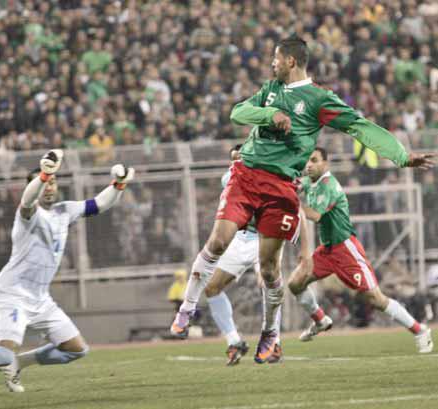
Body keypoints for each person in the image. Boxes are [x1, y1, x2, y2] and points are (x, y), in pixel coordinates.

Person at [170, 35, 434, 364]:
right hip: (246, 176)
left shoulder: (319, 99)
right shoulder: (271, 89)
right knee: (218, 241)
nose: (272, 64)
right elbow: (238, 112)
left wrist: (400, 155)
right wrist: (269, 115)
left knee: (270, 271)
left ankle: (270, 334)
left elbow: (359, 126)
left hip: (281, 189)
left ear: (291, 61)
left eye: (276, 59)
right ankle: (187, 309)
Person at [0, 150, 135, 397]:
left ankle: (18, 364)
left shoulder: (64, 211)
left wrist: (118, 184)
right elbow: (28, 201)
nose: (49, 186)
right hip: (12, 294)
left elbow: (100, 203)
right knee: (3, 353)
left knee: (76, 349)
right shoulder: (28, 215)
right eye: (44, 182)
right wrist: (44, 175)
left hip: (40, 299)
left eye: (53, 182)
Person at [288, 148, 433, 353]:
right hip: (326, 250)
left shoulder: (329, 186)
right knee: (295, 283)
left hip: (345, 249)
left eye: (314, 160)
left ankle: (420, 330)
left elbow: (314, 215)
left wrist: (290, 205)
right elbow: (294, 185)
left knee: (375, 299)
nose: (309, 165)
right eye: (307, 161)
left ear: (325, 164)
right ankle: (320, 320)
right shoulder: (310, 181)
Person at [172, 145, 285, 365]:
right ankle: (234, 341)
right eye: (236, 157)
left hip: (265, 236)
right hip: (240, 238)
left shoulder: (271, 173)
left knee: (266, 282)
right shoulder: (230, 178)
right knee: (212, 287)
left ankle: (274, 342)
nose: (240, 159)